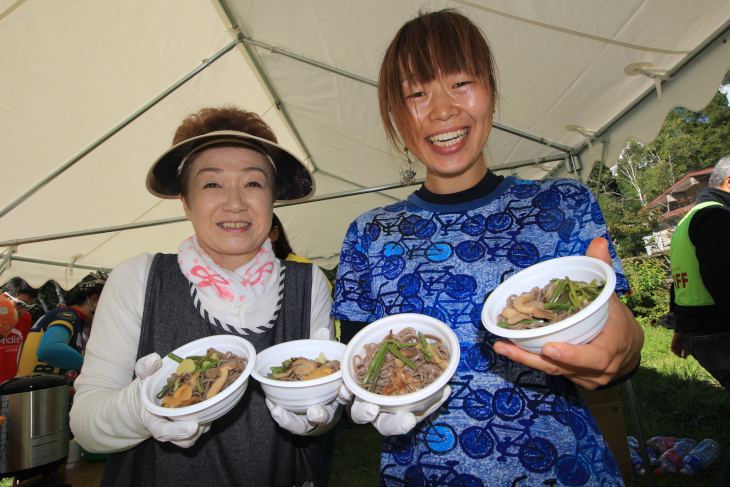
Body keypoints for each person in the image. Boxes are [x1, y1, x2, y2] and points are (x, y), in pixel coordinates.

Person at [331, 10, 643, 486]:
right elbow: (361, 367)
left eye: (462, 83)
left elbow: (615, 336)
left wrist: (627, 346)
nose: (442, 109)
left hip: (566, 471)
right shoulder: (368, 234)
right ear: (395, 112)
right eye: (417, 93)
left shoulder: (560, 204)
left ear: (491, 90)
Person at [70, 106, 339, 487]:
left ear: (272, 198)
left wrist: (319, 413)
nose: (235, 202)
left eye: (253, 183)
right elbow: (86, 426)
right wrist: (144, 404)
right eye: (212, 184)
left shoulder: (306, 282)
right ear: (185, 201)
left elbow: (314, 416)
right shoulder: (139, 277)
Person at [668, 156, 730, 487]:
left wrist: (679, 328)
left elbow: (676, 279)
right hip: (718, 330)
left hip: (697, 330)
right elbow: (721, 276)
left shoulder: (689, 218)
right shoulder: (716, 217)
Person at [17, 272, 105, 398]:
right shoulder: (68, 315)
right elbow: (49, 349)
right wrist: (92, 367)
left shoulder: (69, 317)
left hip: (39, 398)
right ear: (94, 300)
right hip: (40, 401)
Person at [0, 278, 38, 383]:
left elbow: (23, 350)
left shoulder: (25, 318)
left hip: (10, 381)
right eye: (20, 304)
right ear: (5, 297)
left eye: (28, 307)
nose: (23, 310)